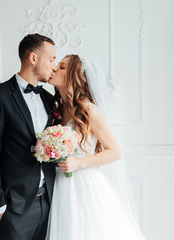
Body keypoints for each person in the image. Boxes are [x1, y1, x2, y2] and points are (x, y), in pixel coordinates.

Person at [46, 54, 146, 239]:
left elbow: (115, 151)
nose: (54, 69)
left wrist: (77, 163)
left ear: (72, 76)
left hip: (84, 184)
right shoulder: (58, 109)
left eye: (61, 67)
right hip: (60, 184)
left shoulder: (88, 110)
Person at [0, 33, 57, 240]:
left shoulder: (50, 100)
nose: (54, 66)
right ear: (33, 58)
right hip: (15, 208)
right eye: (51, 59)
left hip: (51, 202)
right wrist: (0, 207)